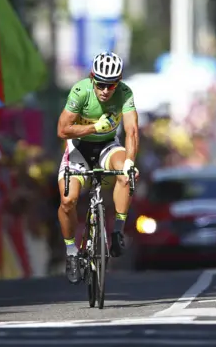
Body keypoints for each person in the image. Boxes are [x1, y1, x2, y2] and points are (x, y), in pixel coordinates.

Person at [56, 51, 139, 284]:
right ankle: (71, 252)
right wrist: (93, 128)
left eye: (111, 85)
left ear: (118, 82)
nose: (105, 90)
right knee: (68, 200)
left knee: (126, 172)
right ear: (93, 78)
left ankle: (117, 231)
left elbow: (132, 130)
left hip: (107, 147)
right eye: (101, 84)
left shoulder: (124, 93)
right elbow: (62, 130)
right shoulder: (80, 91)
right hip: (79, 147)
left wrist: (131, 161)